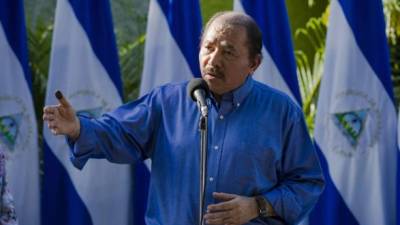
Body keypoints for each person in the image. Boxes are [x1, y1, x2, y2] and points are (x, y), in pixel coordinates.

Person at [43, 12, 324, 225]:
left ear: (254, 63)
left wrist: (257, 206)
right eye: (208, 47)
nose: (213, 60)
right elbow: (119, 132)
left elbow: (306, 183)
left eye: (228, 52)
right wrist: (79, 128)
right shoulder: (168, 102)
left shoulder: (281, 111)